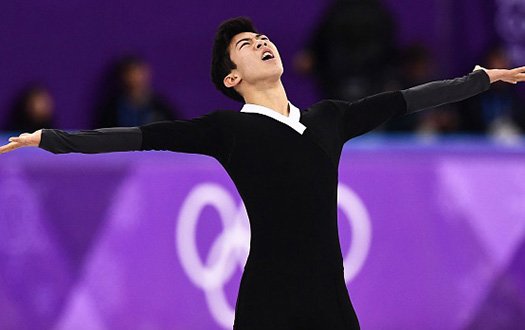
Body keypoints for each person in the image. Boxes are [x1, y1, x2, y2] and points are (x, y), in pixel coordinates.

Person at [1, 17, 525, 330]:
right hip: (267, 303)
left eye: (262, 38)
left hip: (330, 300)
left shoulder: (329, 118)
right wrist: (50, 139)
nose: (262, 43)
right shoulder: (227, 130)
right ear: (232, 77)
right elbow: (136, 137)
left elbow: (410, 100)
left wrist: (480, 81)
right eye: (246, 46)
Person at [93, 55, 179, 128]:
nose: (134, 79)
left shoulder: (161, 107)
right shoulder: (111, 109)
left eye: (138, 73)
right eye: (129, 73)